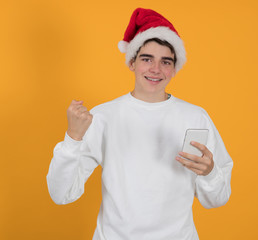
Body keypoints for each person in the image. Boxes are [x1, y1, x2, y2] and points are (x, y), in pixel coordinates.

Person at [47, 8, 233, 240]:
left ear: (174, 69)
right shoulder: (104, 116)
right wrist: (72, 139)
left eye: (165, 62)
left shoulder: (196, 117)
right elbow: (60, 193)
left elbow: (217, 199)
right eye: (147, 59)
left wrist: (210, 173)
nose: (156, 69)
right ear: (132, 63)